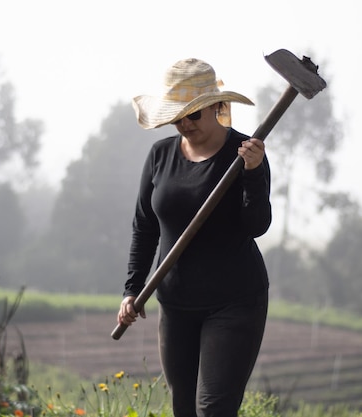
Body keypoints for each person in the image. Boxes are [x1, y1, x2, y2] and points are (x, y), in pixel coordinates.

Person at [117, 57, 272, 417]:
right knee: (183, 409)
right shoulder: (160, 155)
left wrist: (252, 173)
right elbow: (145, 227)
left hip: (234, 303)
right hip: (175, 306)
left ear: (216, 107)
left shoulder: (246, 154)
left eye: (193, 115)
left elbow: (257, 226)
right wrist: (132, 289)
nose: (185, 124)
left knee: (213, 409)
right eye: (177, 117)